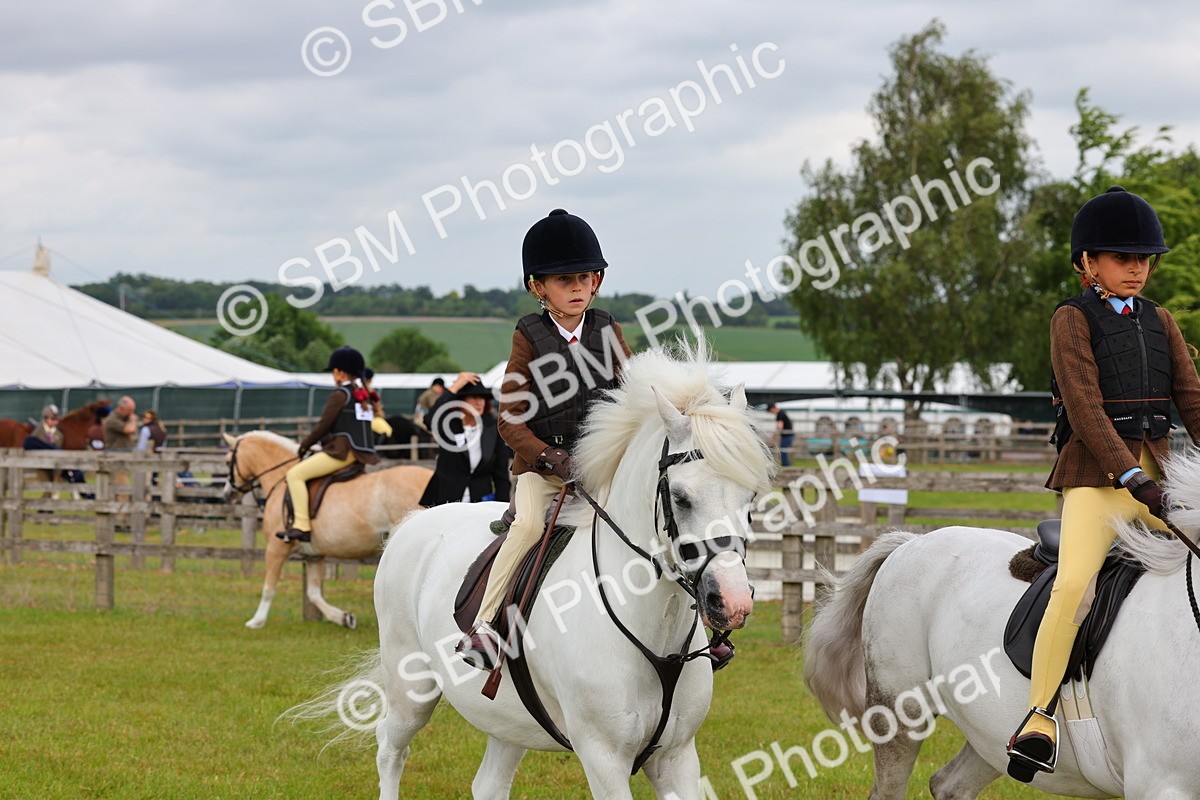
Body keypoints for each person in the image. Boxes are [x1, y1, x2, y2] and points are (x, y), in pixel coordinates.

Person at [1006, 186, 1200, 782]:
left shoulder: (1160, 320)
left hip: (1160, 480)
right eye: (1123, 258)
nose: (1137, 268)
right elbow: (1086, 411)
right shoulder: (1071, 319)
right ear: (1088, 262)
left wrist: (1162, 476)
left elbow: (1191, 397)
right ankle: (1039, 716)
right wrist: (1133, 476)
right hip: (1098, 482)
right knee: (1075, 588)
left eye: (1144, 259)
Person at [457, 208, 632, 669]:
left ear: (596, 281)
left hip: (599, 469)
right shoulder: (529, 336)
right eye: (563, 279)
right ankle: (484, 627)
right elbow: (509, 422)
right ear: (539, 287)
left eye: (584, 277)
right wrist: (551, 458)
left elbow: (635, 391)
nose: (577, 287)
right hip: (544, 470)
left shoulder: (607, 330)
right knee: (529, 528)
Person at [277, 346, 380, 543]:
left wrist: (304, 445)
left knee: (295, 474)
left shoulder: (340, 394)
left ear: (340, 372)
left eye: (334, 371)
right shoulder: (362, 395)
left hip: (343, 452)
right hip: (362, 451)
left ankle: (301, 525)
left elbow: (324, 425)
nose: (333, 375)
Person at [419, 371, 511, 507]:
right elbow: (429, 419)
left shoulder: (493, 429)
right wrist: (455, 387)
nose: (479, 402)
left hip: (480, 503)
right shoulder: (448, 425)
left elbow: (501, 474)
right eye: (473, 397)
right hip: (444, 501)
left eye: (483, 398)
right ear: (461, 401)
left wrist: (502, 508)